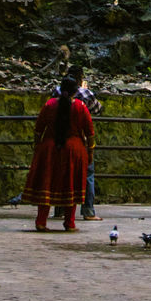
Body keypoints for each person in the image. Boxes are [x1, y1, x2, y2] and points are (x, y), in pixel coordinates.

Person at [22, 76, 95, 231]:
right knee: (71, 184)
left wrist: (38, 147)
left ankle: (41, 221)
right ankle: (69, 223)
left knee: (47, 183)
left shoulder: (49, 105)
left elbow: (38, 130)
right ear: (76, 91)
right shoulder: (81, 107)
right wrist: (90, 151)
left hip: (49, 149)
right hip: (73, 151)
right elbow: (90, 133)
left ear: (61, 89)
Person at [51, 65, 103, 221]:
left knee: (62, 174)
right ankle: (88, 210)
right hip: (79, 141)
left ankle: (59, 209)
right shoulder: (84, 96)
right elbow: (98, 109)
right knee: (87, 175)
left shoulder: (56, 91)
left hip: (59, 139)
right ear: (81, 78)